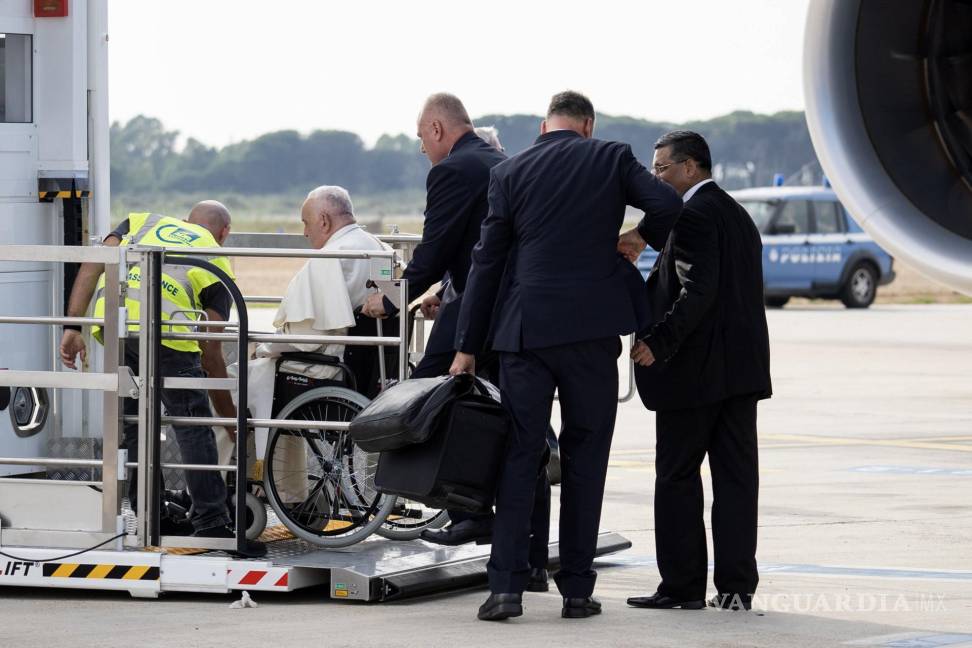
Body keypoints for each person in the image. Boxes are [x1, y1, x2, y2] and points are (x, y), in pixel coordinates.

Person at [450, 90, 681, 621]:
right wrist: (639, 235)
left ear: (543, 125)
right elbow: (667, 203)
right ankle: (577, 589)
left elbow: (486, 263)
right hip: (591, 331)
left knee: (519, 457)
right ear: (588, 124)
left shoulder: (509, 172)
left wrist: (466, 346)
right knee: (585, 459)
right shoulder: (610, 156)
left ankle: (505, 588)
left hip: (525, 333)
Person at [59, 201, 266, 557]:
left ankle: (150, 516)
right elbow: (211, 351)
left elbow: (94, 263)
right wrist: (230, 417)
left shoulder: (142, 220)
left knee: (136, 424)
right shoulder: (215, 257)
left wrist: (72, 326)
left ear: (186, 220)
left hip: (118, 331)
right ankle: (213, 523)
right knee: (192, 425)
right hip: (168, 337)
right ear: (225, 233)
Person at [622, 131, 772, 612]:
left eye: (662, 169)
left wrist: (658, 342)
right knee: (735, 482)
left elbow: (698, 290)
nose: (656, 178)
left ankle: (682, 586)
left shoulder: (692, 215)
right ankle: (735, 588)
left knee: (676, 477)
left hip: (696, 374)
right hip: (740, 374)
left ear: (691, 168)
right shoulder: (737, 215)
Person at [361, 93, 507, 546]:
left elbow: (434, 246)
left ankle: (467, 508)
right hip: (508, 306)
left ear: (438, 130)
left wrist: (388, 298)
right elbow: (479, 244)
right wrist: (441, 290)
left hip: (478, 308)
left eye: (422, 138)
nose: (423, 149)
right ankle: (488, 514)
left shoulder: (452, 170)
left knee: (429, 392)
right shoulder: (501, 161)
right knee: (499, 410)